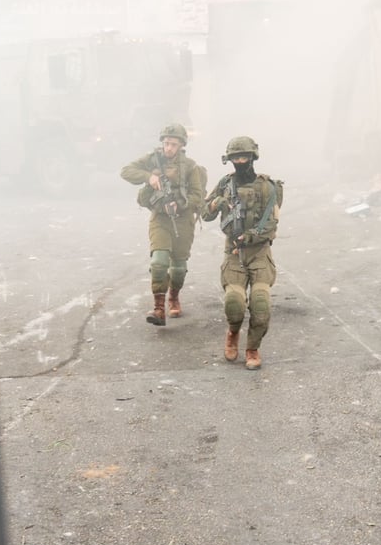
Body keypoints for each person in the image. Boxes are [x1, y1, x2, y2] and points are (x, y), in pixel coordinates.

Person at [201, 136, 282, 370]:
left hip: (258, 252)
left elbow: (271, 224)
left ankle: (252, 348)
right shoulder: (225, 184)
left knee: (260, 303)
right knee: (234, 301)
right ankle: (233, 333)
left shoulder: (268, 187)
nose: (240, 161)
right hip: (234, 253)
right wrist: (216, 203)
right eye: (235, 157)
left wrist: (250, 236)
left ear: (253, 157)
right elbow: (205, 214)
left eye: (244, 156)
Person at [120, 123, 206, 326]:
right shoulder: (152, 159)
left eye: (173, 144)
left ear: (181, 145)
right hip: (160, 218)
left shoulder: (191, 167)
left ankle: (173, 297)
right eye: (166, 143)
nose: (169, 148)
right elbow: (126, 171)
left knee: (177, 268)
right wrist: (148, 176)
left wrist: (181, 204)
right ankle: (158, 308)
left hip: (183, 220)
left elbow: (198, 196)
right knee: (159, 262)